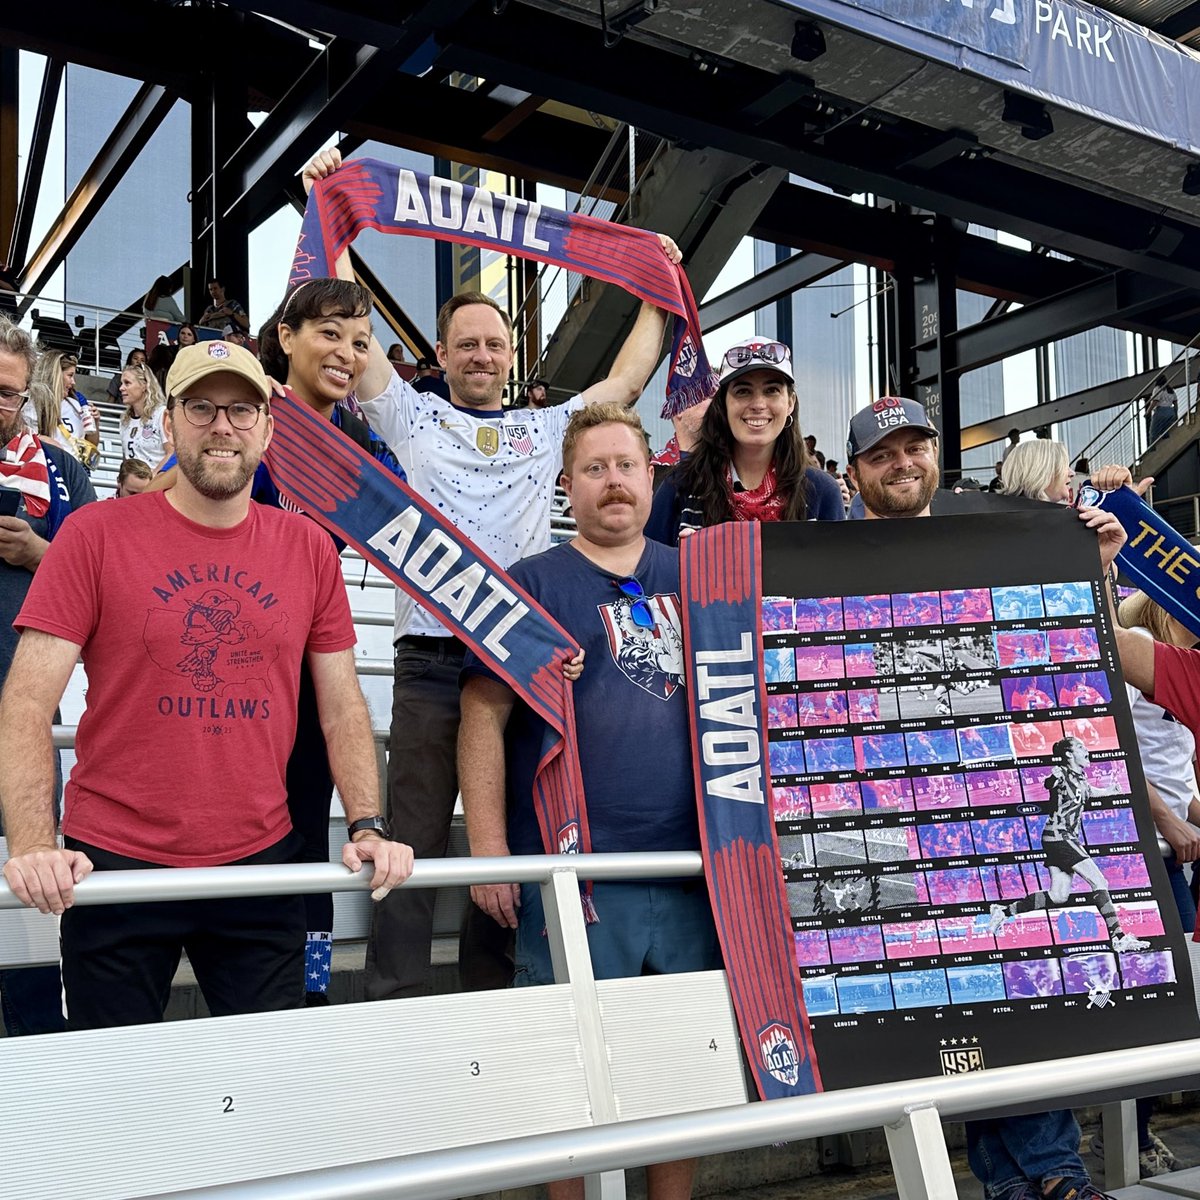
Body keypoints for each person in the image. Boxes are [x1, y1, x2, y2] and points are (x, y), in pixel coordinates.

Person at [299, 146, 681, 1001]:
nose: (480, 355)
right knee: (416, 838)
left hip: (526, 661)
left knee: (507, 832)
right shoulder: (408, 409)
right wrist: (330, 206)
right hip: (434, 659)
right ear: (440, 349)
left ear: (512, 354)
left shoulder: (548, 429)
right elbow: (353, 330)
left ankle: (490, 997)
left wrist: (658, 284)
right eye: (465, 343)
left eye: (493, 344)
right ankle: (393, 1001)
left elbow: (627, 376)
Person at [0, 339, 414, 1031]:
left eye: (243, 410)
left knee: (265, 1084)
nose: (223, 426)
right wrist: (35, 842)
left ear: (268, 428)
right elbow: (26, 700)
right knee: (114, 1087)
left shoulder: (308, 547)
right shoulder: (94, 535)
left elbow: (342, 705)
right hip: (115, 865)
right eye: (200, 407)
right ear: (169, 425)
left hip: (259, 864)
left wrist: (368, 822)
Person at [845, 393, 1128, 1200]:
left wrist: (1095, 572)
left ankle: (1048, 1179)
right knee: (968, 992)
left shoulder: (999, 536)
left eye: (915, 447)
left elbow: (1070, 655)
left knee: (1018, 976)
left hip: (999, 794)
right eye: (883, 453)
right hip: (902, 816)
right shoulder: (827, 561)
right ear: (857, 472)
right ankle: (1036, 1182)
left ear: (935, 455)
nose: (903, 463)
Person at [459, 401, 718, 1200]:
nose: (614, 483)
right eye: (596, 468)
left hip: (693, 871)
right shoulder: (533, 583)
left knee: (682, 1072)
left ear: (652, 476)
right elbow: (482, 713)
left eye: (627, 466)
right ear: (568, 483)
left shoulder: (703, 577)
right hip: (578, 876)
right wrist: (490, 852)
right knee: (564, 1074)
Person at [0, 318, 96, 1038]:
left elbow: (105, 576)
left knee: (32, 888)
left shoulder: (60, 472)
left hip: (22, 725)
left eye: (7, 394)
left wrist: (42, 551)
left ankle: (35, 1054)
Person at [1108, 588, 1199, 1176]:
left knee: (1174, 1008)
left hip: (1171, 856)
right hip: (1133, 856)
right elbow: (1108, 747)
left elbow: (1180, 772)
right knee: (1157, 1006)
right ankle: (1129, 1139)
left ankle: (1134, 1137)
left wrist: (1187, 812)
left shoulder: (1186, 667)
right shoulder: (1153, 658)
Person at [646, 338, 844, 544]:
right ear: (723, 404)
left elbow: (838, 573)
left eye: (771, 390)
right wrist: (680, 561)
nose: (758, 404)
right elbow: (648, 569)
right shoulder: (680, 485)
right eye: (743, 391)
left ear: (790, 403)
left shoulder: (821, 491)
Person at [26, 349, 100, 471]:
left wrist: (96, 423)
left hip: (75, 470)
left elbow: (92, 442)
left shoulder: (76, 404)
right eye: (70, 375)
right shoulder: (32, 405)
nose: (73, 382)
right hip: (47, 469)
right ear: (55, 375)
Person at [118, 360, 172, 470]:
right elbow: (127, 459)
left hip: (156, 484)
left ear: (144, 385)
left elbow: (172, 453)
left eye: (127, 383)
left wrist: (152, 480)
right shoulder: (125, 419)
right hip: (132, 484)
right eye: (121, 383)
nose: (121, 388)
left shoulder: (161, 414)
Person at [1145, 373, 1178, 445]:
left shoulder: (1157, 389)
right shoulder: (1170, 390)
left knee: (1153, 433)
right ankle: (1166, 446)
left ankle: (1152, 451)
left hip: (1161, 411)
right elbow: (1175, 402)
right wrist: (1175, 413)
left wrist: (1147, 412)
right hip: (1170, 411)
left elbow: (1155, 401)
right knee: (1166, 432)